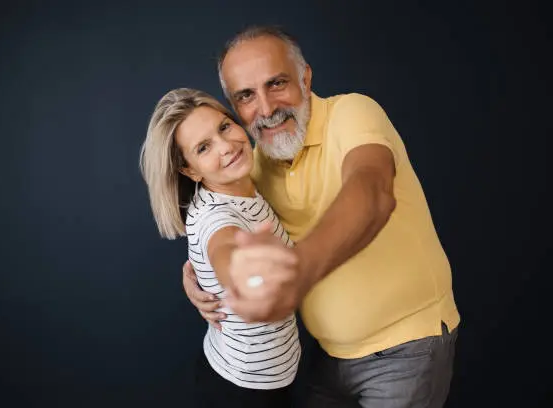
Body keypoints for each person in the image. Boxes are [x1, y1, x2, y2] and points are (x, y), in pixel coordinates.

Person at [182, 26, 460, 408]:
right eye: (246, 96)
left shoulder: (352, 113)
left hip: (406, 351)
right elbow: (228, 225)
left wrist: (295, 276)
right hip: (325, 356)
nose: (265, 109)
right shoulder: (256, 160)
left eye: (277, 83)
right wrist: (200, 274)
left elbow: (372, 191)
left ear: (305, 77)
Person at [139, 88, 301, 407]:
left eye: (224, 127)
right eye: (203, 147)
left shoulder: (244, 184)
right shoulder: (219, 216)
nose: (226, 147)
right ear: (190, 170)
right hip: (244, 391)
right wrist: (246, 274)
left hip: (268, 375)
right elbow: (224, 248)